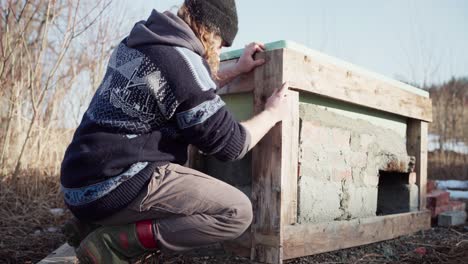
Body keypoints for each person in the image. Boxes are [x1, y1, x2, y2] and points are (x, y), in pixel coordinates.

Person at [60, 0, 290, 263]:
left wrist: (236, 70)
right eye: (222, 42)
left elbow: (180, 88)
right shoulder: (182, 64)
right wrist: (272, 114)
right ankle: (114, 243)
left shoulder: (139, 41)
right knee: (236, 212)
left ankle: (93, 224)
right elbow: (232, 144)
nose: (220, 49)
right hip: (115, 186)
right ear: (211, 31)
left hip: (78, 186)